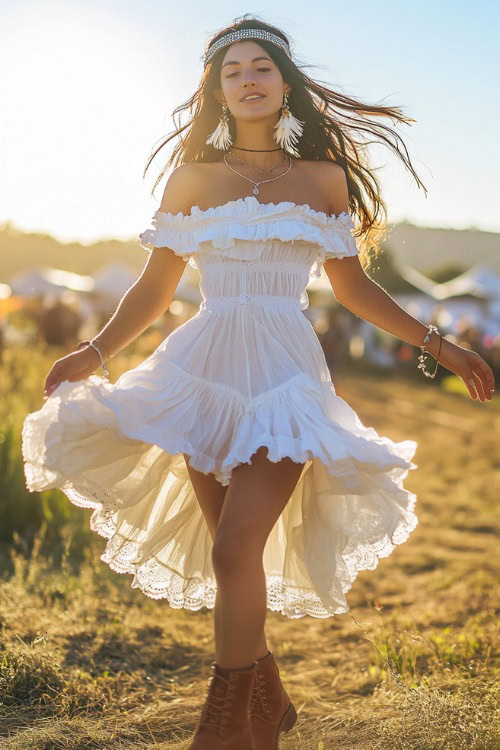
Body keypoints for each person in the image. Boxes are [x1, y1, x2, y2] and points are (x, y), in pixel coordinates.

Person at [22, 16, 495, 750]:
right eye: (232, 69)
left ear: (285, 85)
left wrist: (443, 344)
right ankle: (265, 702)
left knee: (236, 548)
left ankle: (222, 727)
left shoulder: (322, 179)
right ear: (216, 89)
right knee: (229, 554)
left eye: (261, 67)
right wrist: (95, 349)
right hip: (201, 373)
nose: (247, 78)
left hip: (283, 375)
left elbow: (355, 290)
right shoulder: (191, 179)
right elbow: (154, 290)